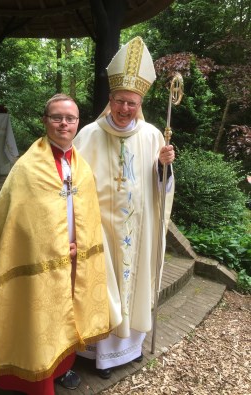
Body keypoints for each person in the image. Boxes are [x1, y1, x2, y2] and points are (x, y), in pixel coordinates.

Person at [0, 93, 111, 395]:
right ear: (45, 121)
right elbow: (19, 221)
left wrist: (80, 244)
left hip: (74, 257)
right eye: (57, 117)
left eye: (71, 118)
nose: (64, 123)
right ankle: (35, 379)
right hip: (39, 262)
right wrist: (53, 249)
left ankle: (62, 368)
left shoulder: (81, 165)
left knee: (66, 313)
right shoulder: (27, 167)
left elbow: (88, 212)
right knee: (39, 318)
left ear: (78, 122)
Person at [74, 37, 175, 379]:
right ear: (110, 100)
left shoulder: (152, 136)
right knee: (103, 289)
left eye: (131, 103)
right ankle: (99, 356)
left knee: (133, 287)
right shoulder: (87, 135)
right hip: (99, 230)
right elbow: (71, 185)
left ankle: (128, 351)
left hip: (138, 230)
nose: (124, 109)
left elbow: (163, 188)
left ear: (139, 104)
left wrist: (165, 166)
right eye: (119, 101)